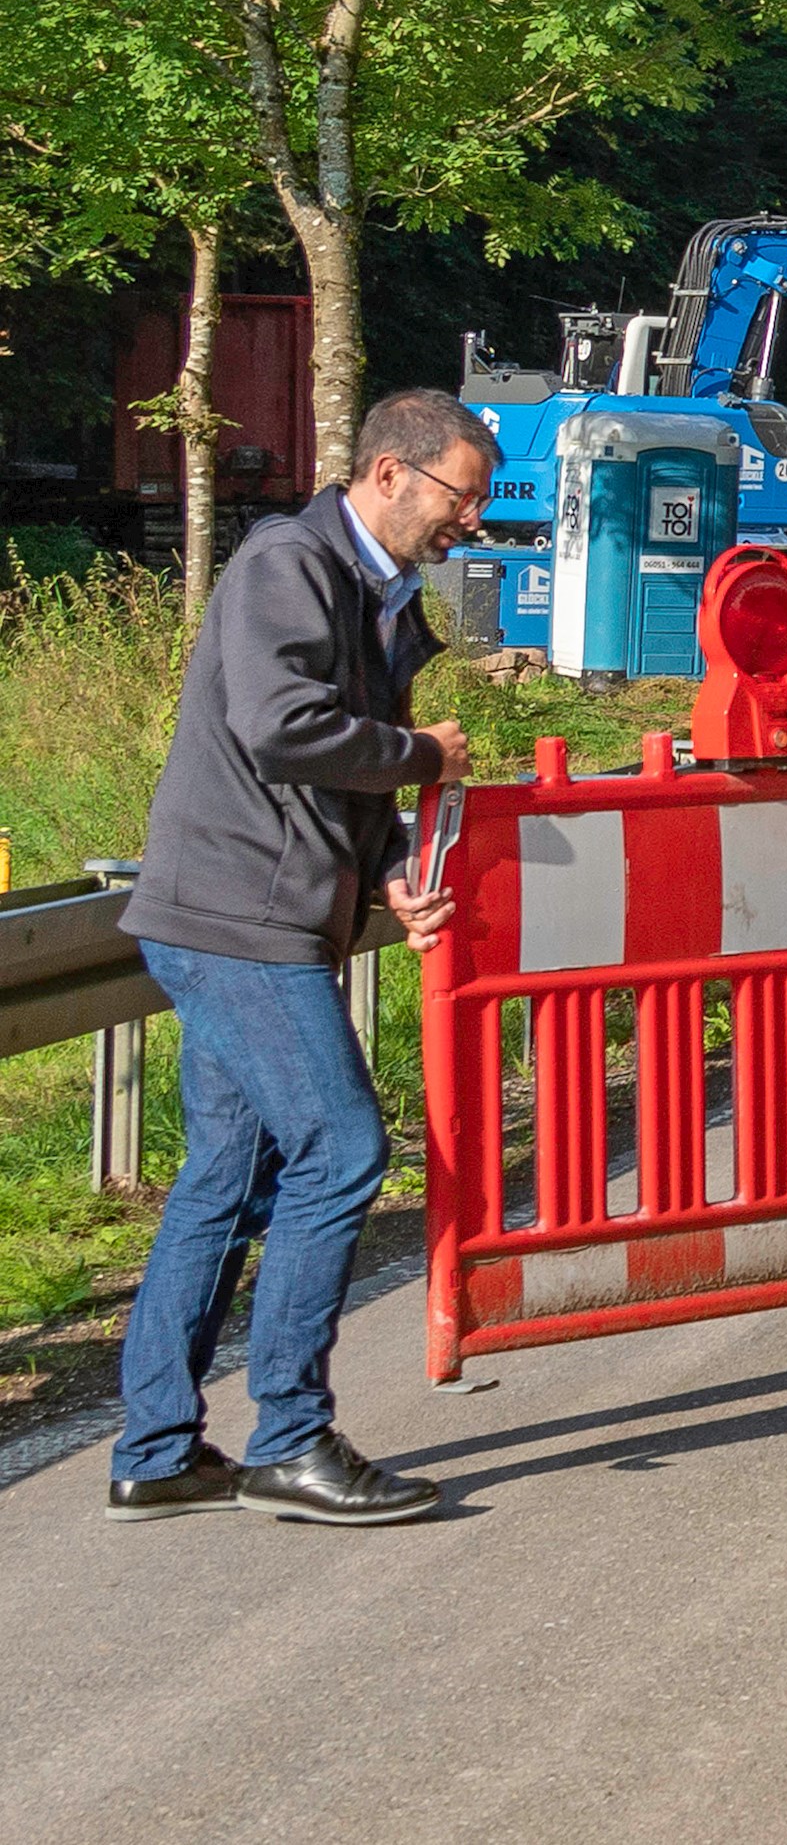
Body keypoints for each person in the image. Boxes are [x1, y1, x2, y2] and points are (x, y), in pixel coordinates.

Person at [107, 391, 490, 1527]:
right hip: (237, 919)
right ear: (387, 473)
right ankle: (288, 1435)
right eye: (458, 496)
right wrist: (420, 753)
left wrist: (384, 877)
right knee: (341, 1149)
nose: (468, 520)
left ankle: (159, 1450)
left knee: (227, 1178)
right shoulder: (291, 563)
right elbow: (282, 730)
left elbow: (326, 776)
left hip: (253, 913)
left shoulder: (379, 589)